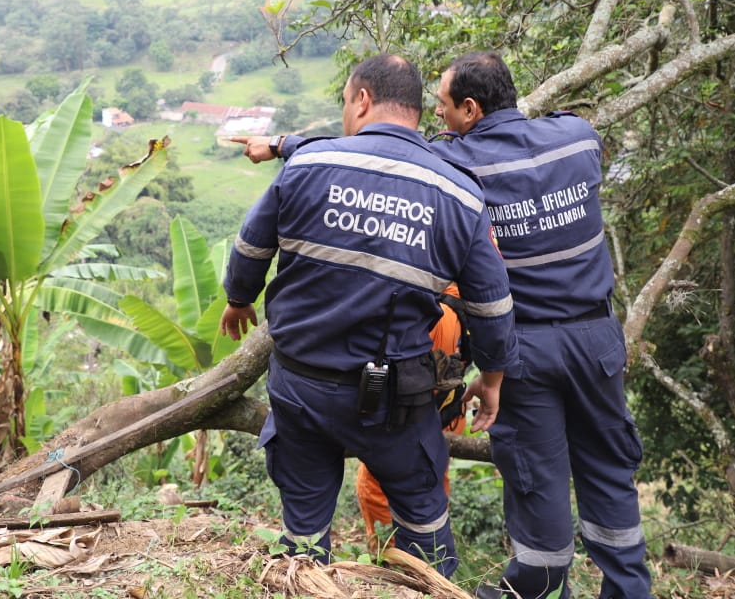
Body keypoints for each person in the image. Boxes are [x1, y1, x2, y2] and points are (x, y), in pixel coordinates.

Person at [236, 51, 652, 599]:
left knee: (536, 476)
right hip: (598, 339)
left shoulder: (457, 171)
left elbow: (376, 153)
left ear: (470, 110)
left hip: (527, 346)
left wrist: (283, 145)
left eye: (444, 108)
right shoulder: (577, 138)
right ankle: (629, 590)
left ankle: (535, 587)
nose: (437, 118)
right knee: (609, 467)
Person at [220, 54, 517, 576]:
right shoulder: (459, 193)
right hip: (396, 401)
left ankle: (306, 578)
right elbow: (490, 307)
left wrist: (239, 298)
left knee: (305, 525)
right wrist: (491, 378)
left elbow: (250, 246)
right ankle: (425, 585)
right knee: (423, 516)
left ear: (361, 98)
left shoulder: (309, 165)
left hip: (302, 385)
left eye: (343, 102)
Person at [355, 285, 468, 550]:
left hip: (418, 397)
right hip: (441, 398)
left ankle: (393, 555)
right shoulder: (468, 275)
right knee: (430, 474)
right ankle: (416, 555)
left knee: (384, 473)